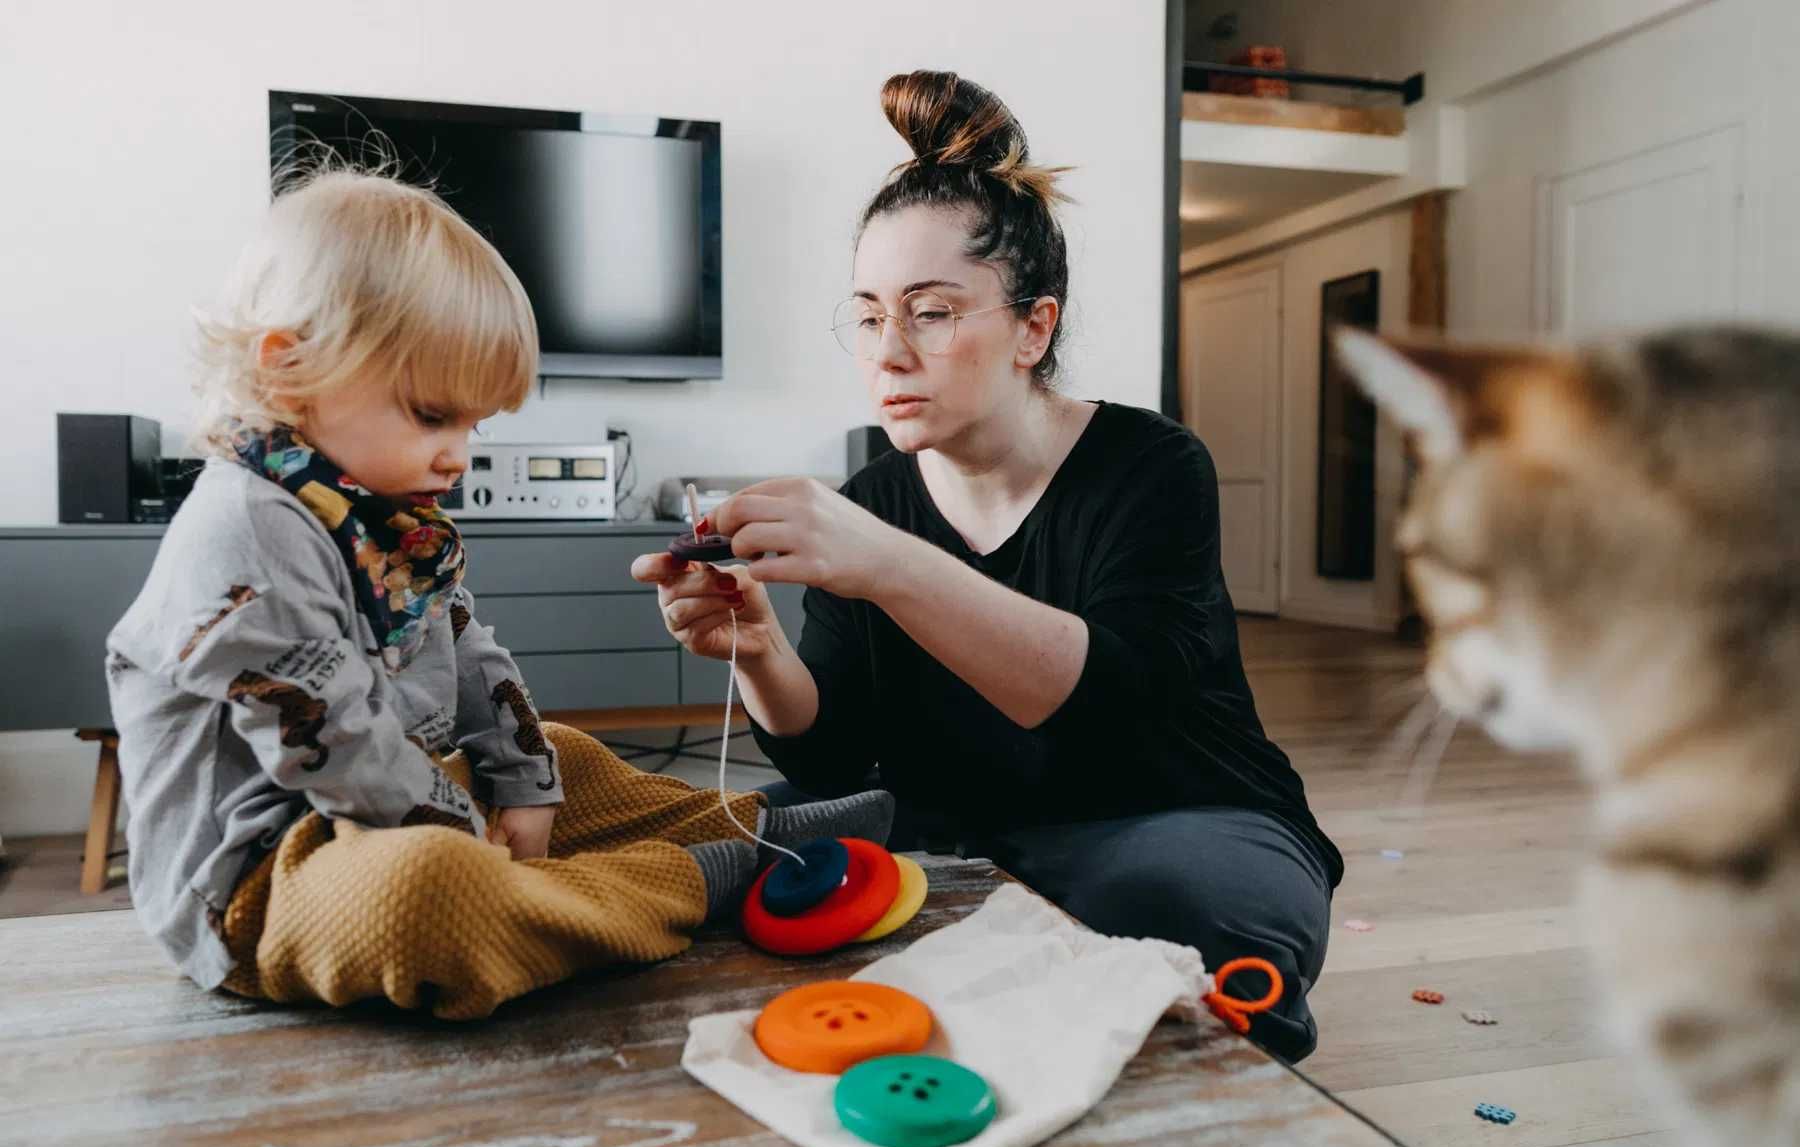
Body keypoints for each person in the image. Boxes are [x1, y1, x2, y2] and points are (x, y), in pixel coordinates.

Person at [633, 71, 1342, 1061]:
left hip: (1166, 812)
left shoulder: (1149, 466)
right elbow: (829, 755)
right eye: (871, 314)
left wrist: (885, 565)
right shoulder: (878, 499)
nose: (888, 351)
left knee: (1184, 914)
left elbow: (1114, 706)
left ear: (1033, 327)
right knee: (694, 858)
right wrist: (758, 652)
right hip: (954, 822)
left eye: (931, 312)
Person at [105, 167, 889, 1021]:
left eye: (474, 425)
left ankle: (748, 827)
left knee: (559, 752)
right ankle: (701, 879)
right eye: (433, 415)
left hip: (399, 799)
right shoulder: (244, 527)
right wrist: (464, 830)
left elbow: (472, 652)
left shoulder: (385, 516)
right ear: (290, 371)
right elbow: (329, 741)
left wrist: (524, 787)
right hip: (260, 883)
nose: (458, 453)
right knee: (435, 891)